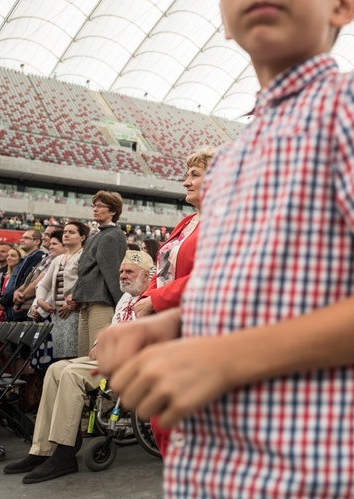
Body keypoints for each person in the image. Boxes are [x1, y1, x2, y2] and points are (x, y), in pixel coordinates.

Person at [95, 1, 354, 497]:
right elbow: (233, 300)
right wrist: (166, 326)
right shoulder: (228, 163)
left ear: (342, 7)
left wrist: (225, 359)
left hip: (320, 470)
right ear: (226, 22)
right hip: (211, 465)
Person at [2, 251, 153, 484]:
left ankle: (65, 453)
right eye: (121, 271)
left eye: (129, 272)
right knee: (55, 369)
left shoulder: (151, 300)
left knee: (71, 373)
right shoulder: (124, 298)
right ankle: (41, 450)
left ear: (146, 276)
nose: (122, 276)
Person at [133, 146, 216, 457]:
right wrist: (146, 298)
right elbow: (161, 267)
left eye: (194, 174)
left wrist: (156, 299)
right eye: (186, 174)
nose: (185, 181)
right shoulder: (186, 221)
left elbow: (213, 273)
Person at [67, 191, 127, 356]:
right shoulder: (98, 236)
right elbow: (84, 271)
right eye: (94, 206)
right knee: (84, 358)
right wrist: (75, 294)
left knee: (97, 359)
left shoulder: (111, 236)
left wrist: (120, 305)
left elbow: (113, 274)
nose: (95, 209)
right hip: (87, 302)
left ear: (113, 211)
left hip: (102, 303)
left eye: (100, 206)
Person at [34, 222, 89, 359]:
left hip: (75, 311)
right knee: (60, 356)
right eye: (65, 232)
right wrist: (41, 301)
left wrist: (72, 300)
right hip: (57, 314)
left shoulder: (84, 256)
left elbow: (85, 281)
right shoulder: (58, 259)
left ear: (82, 237)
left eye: (71, 232)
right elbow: (43, 284)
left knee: (74, 355)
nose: (66, 235)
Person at [0, 230, 45, 321]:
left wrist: (3, 301)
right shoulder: (27, 258)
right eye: (22, 238)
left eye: (26, 238)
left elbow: (24, 282)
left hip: (22, 306)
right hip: (13, 306)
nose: (22, 240)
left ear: (37, 241)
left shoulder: (37, 257)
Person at [0, 246, 24, 322]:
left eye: (13, 256)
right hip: (6, 314)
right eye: (8, 255)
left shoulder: (21, 275)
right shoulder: (7, 276)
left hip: (15, 312)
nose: (8, 258)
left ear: (21, 258)